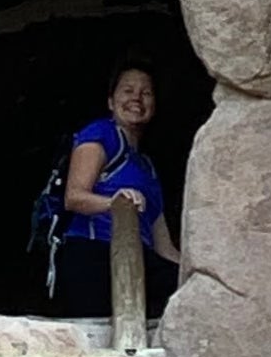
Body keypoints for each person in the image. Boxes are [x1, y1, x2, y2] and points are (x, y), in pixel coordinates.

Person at [51, 64, 183, 318]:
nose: (136, 98)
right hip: (92, 253)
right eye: (128, 90)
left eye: (146, 93)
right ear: (111, 102)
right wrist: (115, 202)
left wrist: (202, 276)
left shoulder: (148, 168)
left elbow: (164, 248)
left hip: (138, 261)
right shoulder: (101, 133)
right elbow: (74, 197)